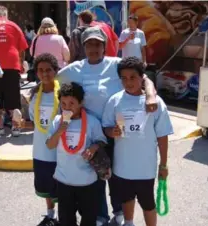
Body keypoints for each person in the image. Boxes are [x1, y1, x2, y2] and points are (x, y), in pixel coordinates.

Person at [58, 26, 157, 226]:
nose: (94, 48)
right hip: (91, 133)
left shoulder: (115, 64)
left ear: (105, 46)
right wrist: (36, 90)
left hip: (117, 131)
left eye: (98, 44)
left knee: (116, 176)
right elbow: (50, 78)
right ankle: (101, 215)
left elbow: (143, 77)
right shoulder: (75, 69)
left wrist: (150, 94)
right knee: (95, 177)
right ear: (83, 47)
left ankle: (119, 212)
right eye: (89, 44)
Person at [102, 57, 173, 226]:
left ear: (142, 77)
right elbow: (106, 127)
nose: (128, 82)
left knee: (148, 203)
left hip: (145, 168)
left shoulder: (155, 104)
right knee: (126, 199)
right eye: (124, 78)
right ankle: (129, 223)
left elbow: (162, 136)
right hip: (122, 167)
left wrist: (163, 165)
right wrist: (111, 132)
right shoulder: (115, 101)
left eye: (133, 77)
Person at [46, 82, 107, 226]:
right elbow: (49, 145)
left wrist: (93, 148)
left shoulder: (92, 122)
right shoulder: (57, 121)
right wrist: (60, 130)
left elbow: (102, 141)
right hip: (64, 181)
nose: (67, 108)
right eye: (63, 104)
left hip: (87, 182)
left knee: (88, 219)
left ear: (81, 103)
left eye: (72, 103)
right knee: (66, 220)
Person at [0, 5, 28, 137]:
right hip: (12, 65)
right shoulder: (14, 26)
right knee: (13, 98)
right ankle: (15, 127)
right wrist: (20, 64)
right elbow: (22, 49)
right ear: (5, 15)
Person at [26, 53, 60, 226]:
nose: (45, 74)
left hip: (59, 153)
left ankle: (65, 215)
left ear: (55, 71)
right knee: (45, 187)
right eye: (40, 70)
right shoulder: (33, 95)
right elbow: (32, 120)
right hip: (40, 151)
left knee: (60, 187)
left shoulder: (62, 94)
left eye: (49, 70)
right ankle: (50, 214)